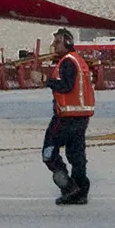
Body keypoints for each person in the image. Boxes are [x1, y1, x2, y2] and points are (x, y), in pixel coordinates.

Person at [41, 29, 95, 205]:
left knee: (49, 153)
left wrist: (44, 80)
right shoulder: (79, 61)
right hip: (81, 116)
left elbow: (66, 86)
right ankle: (81, 191)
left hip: (65, 117)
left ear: (67, 42)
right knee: (76, 156)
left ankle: (69, 188)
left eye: (57, 42)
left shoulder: (68, 62)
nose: (54, 45)